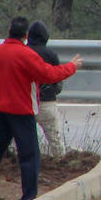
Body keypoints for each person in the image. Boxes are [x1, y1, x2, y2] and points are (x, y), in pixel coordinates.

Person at [0, 16, 82, 200]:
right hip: (21, 109)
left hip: (0, 108)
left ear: (9, 30)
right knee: (29, 154)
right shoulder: (26, 54)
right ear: (25, 35)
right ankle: (28, 199)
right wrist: (72, 67)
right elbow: (49, 74)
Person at [26, 20, 67, 157]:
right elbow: (58, 81)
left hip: (26, 104)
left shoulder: (23, 53)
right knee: (56, 141)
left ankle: (25, 164)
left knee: (23, 141)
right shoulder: (51, 55)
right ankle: (61, 164)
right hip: (47, 103)